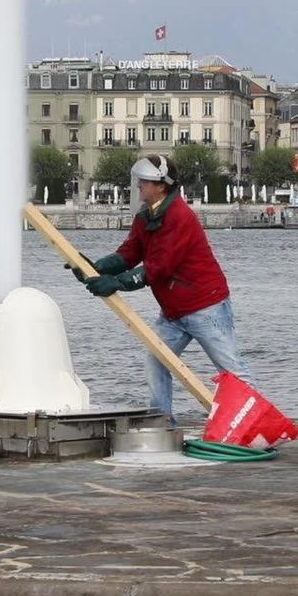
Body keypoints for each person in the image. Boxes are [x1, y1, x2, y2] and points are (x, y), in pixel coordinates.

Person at [67, 154, 252, 424]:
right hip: (174, 311)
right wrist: (97, 268)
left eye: (144, 181)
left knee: (232, 370)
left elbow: (158, 267)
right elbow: (130, 253)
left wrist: (116, 283)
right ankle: (162, 422)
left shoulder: (180, 217)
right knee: (157, 360)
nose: (139, 186)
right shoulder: (146, 217)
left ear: (161, 186)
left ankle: (259, 425)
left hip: (205, 306)